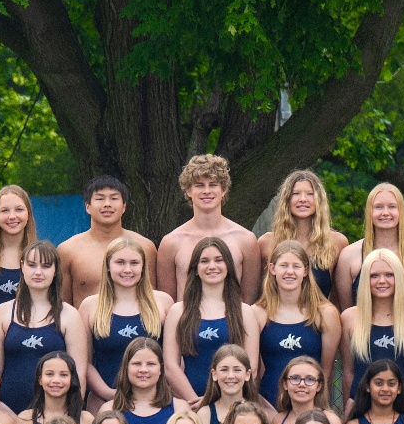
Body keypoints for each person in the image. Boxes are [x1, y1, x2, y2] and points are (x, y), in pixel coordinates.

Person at [0, 239, 88, 414]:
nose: (38, 272)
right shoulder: (2, 313)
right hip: (6, 411)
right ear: (22, 266)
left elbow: (78, 373)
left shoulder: (70, 315)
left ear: (56, 270)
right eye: (32, 265)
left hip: (55, 415)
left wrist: (70, 415)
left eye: (46, 266)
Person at [78, 236, 174, 405]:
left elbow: (174, 361)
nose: (127, 269)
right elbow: (84, 363)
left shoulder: (163, 303)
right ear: (108, 266)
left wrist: (152, 394)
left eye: (134, 263)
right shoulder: (90, 306)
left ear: (143, 266)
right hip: (105, 402)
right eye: (120, 262)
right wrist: (109, 394)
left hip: (154, 401)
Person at [165, 236, 263, 401]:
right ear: (196, 268)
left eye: (219, 260)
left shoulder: (245, 312)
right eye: (204, 261)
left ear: (228, 266)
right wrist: (197, 403)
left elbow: (251, 367)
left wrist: (223, 401)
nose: (212, 266)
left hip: (233, 403)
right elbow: (170, 366)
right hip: (191, 403)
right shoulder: (178, 311)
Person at [157, 154, 262, 293]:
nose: (206, 191)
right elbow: (167, 300)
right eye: (200, 185)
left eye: (213, 185)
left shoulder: (246, 240)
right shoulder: (171, 243)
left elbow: (249, 300)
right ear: (188, 190)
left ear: (223, 190)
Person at [256, 240, 341, 408]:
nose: (290, 272)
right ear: (272, 269)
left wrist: (317, 410)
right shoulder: (257, 313)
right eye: (283, 266)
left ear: (306, 271)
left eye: (296, 266)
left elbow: (326, 371)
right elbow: (253, 371)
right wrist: (265, 411)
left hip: (311, 407)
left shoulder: (325, 314)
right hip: (268, 406)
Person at [333, 182, 404, 311]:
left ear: (401, 211)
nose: (385, 213)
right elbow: (345, 310)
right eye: (378, 207)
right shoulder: (348, 256)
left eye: (392, 207)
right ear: (369, 211)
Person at [58, 176, 159, 306]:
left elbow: (153, 300)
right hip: (86, 319)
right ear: (87, 206)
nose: (107, 204)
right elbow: (62, 305)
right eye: (100, 199)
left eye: (114, 198)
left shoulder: (145, 247)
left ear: (124, 206)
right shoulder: (67, 250)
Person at [343, 249, 404, 409]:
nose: (381, 281)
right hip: (360, 409)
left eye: (389, 275)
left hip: (403, 408)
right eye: (374, 275)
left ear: (399, 277)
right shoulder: (349, 318)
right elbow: (349, 372)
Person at [262, 169, 348, 301]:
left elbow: (338, 300)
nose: (303, 199)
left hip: (320, 313)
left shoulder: (337, 242)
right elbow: (259, 297)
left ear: (319, 199)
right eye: (296, 193)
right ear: (286, 199)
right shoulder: (266, 242)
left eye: (310, 194)